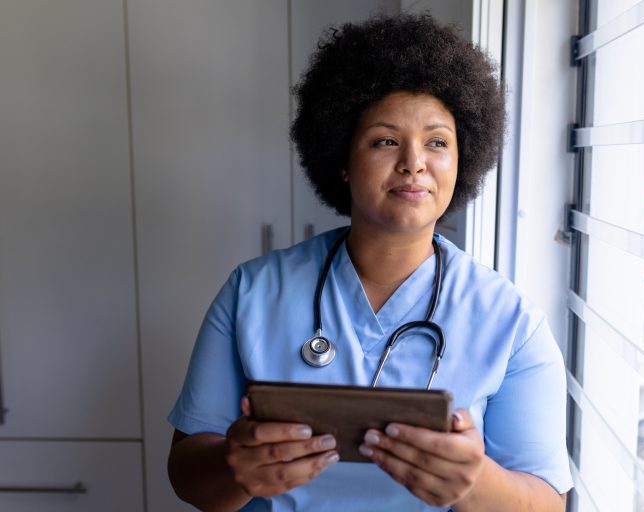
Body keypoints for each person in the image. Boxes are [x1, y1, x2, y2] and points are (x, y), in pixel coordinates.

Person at [167, 13, 572, 512]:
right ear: (341, 158)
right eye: (385, 140)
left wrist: (474, 482)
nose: (414, 162)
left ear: (463, 159)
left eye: (437, 142)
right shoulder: (251, 292)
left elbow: (548, 502)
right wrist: (237, 464)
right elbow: (187, 474)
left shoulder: (511, 322)